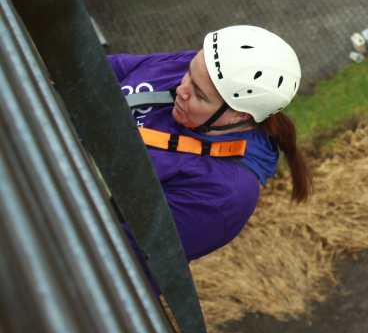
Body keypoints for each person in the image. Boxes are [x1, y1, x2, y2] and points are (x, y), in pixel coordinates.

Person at [107, 25, 311, 262]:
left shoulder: (223, 196)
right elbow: (102, 70)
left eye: (200, 95)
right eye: (190, 72)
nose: (181, 89)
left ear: (240, 115)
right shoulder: (203, 74)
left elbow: (118, 257)